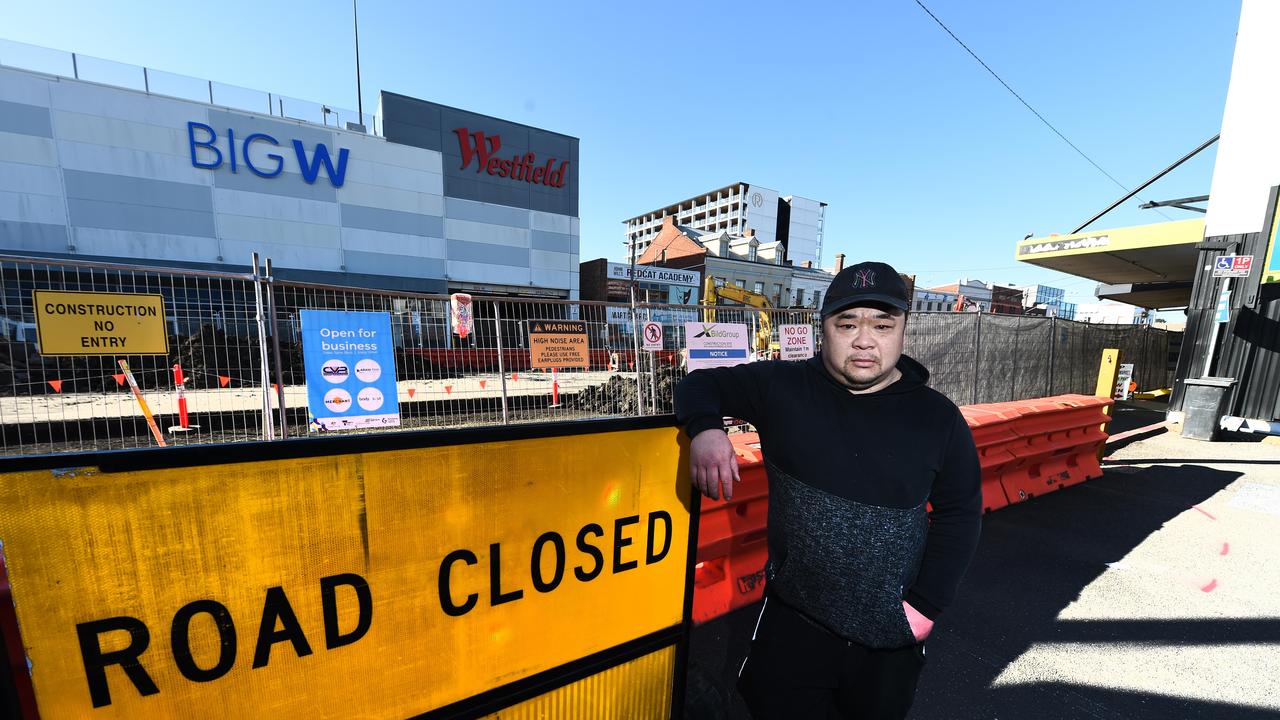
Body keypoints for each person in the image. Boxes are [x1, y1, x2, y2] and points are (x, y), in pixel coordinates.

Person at [675, 261, 982, 719]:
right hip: (791, 619)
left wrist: (925, 607)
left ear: (902, 331)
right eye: (847, 324)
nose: (864, 339)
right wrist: (706, 430)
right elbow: (699, 383)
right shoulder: (781, 386)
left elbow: (961, 512)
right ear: (824, 330)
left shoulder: (938, 418)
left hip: (886, 637)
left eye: (882, 324)